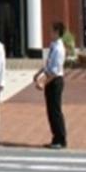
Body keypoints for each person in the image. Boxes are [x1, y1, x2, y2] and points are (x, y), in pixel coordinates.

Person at [33, 21, 67, 149]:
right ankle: (55, 138)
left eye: (52, 30)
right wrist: (39, 74)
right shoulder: (53, 45)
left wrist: (42, 82)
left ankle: (61, 138)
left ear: (57, 32)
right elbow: (48, 65)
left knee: (55, 111)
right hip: (50, 79)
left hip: (55, 81)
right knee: (50, 111)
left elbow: (54, 71)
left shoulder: (59, 49)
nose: (50, 33)